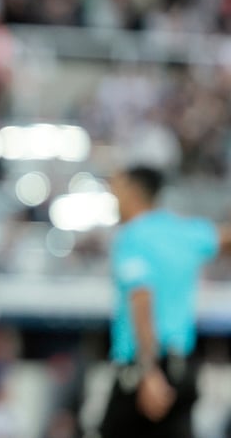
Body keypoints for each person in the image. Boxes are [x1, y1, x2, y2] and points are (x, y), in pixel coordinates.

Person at [97, 165, 230, 438]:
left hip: (144, 371)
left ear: (133, 192)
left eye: (117, 190)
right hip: (182, 368)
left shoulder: (132, 237)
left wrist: (149, 370)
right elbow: (224, 238)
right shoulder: (183, 232)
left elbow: (142, 298)